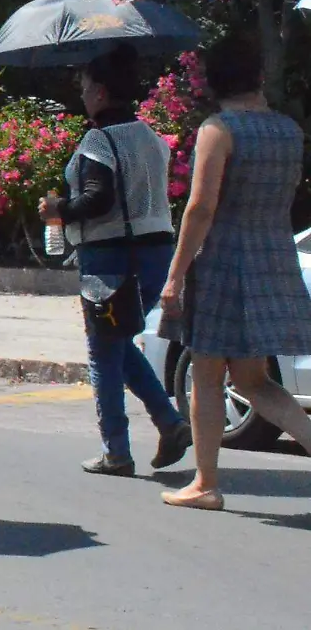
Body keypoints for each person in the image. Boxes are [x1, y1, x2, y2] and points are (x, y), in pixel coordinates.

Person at [159, 38, 311, 512]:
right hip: (273, 256)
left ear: (211, 82)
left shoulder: (218, 129)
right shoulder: (289, 130)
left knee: (207, 373)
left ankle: (205, 483)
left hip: (225, 259)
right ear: (258, 78)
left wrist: (175, 276)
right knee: (254, 380)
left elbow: (201, 208)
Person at [39, 46, 192, 477]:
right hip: (155, 252)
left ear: (101, 92)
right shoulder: (151, 137)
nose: (83, 96)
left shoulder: (98, 140)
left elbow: (98, 198)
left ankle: (116, 450)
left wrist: (58, 208)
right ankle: (169, 422)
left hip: (110, 258)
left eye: (86, 88)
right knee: (120, 339)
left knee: (103, 352)